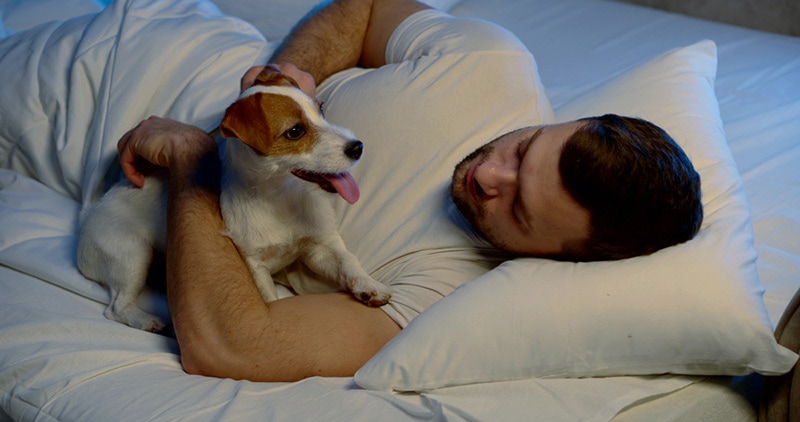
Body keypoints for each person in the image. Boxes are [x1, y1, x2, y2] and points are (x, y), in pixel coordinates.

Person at [117, 0, 702, 382]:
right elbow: (365, 6)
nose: (489, 176)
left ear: (558, 256)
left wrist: (196, 160)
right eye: (524, 150)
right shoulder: (491, 62)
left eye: (518, 208)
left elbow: (232, 347)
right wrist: (288, 76)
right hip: (171, 34)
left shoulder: (444, 295)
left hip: (128, 182)